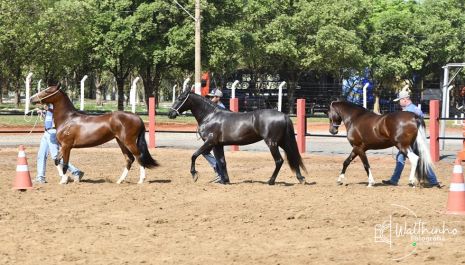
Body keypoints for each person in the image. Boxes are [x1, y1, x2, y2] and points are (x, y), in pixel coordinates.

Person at [382, 90, 442, 188]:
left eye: (400, 100)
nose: (399, 103)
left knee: (419, 157)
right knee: (401, 157)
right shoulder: (416, 109)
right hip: (415, 138)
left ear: (405, 99)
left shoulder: (407, 112)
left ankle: (433, 181)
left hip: (411, 140)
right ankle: (394, 180)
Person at [34, 104, 84, 184]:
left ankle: (76, 171)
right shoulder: (49, 105)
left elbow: (60, 115)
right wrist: (43, 113)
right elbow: (50, 118)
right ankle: (40, 177)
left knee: (55, 156)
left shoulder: (56, 105)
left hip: (53, 132)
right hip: (47, 132)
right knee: (41, 154)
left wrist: (48, 109)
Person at [203, 89, 226, 183]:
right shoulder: (213, 107)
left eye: (212, 97)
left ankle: (218, 172)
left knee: (205, 151)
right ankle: (220, 173)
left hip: (217, 136)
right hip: (215, 135)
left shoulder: (220, 108)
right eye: (210, 97)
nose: (210, 98)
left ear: (218, 98)